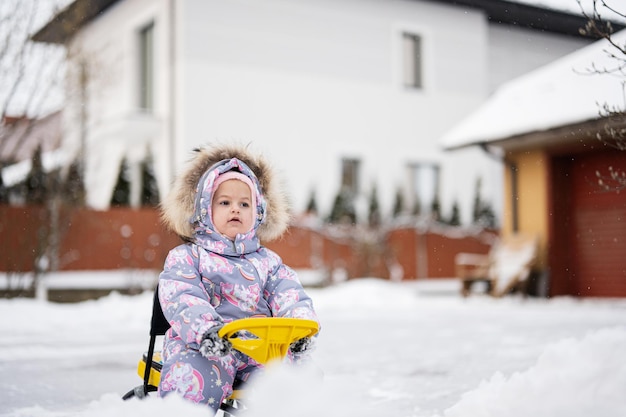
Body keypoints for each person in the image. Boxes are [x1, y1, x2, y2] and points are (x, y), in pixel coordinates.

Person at [156, 143, 319, 412]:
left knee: (293, 381)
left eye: (245, 203)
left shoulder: (268, 262)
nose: (236, 209)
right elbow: (182, 297)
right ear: (204, 210)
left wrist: (299, 326)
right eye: (224, 202)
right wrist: (206, 331)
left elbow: (289, 293)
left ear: (258, 214)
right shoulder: (188, 257)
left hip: (262, 348)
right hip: (208, 348)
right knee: (193, 379)